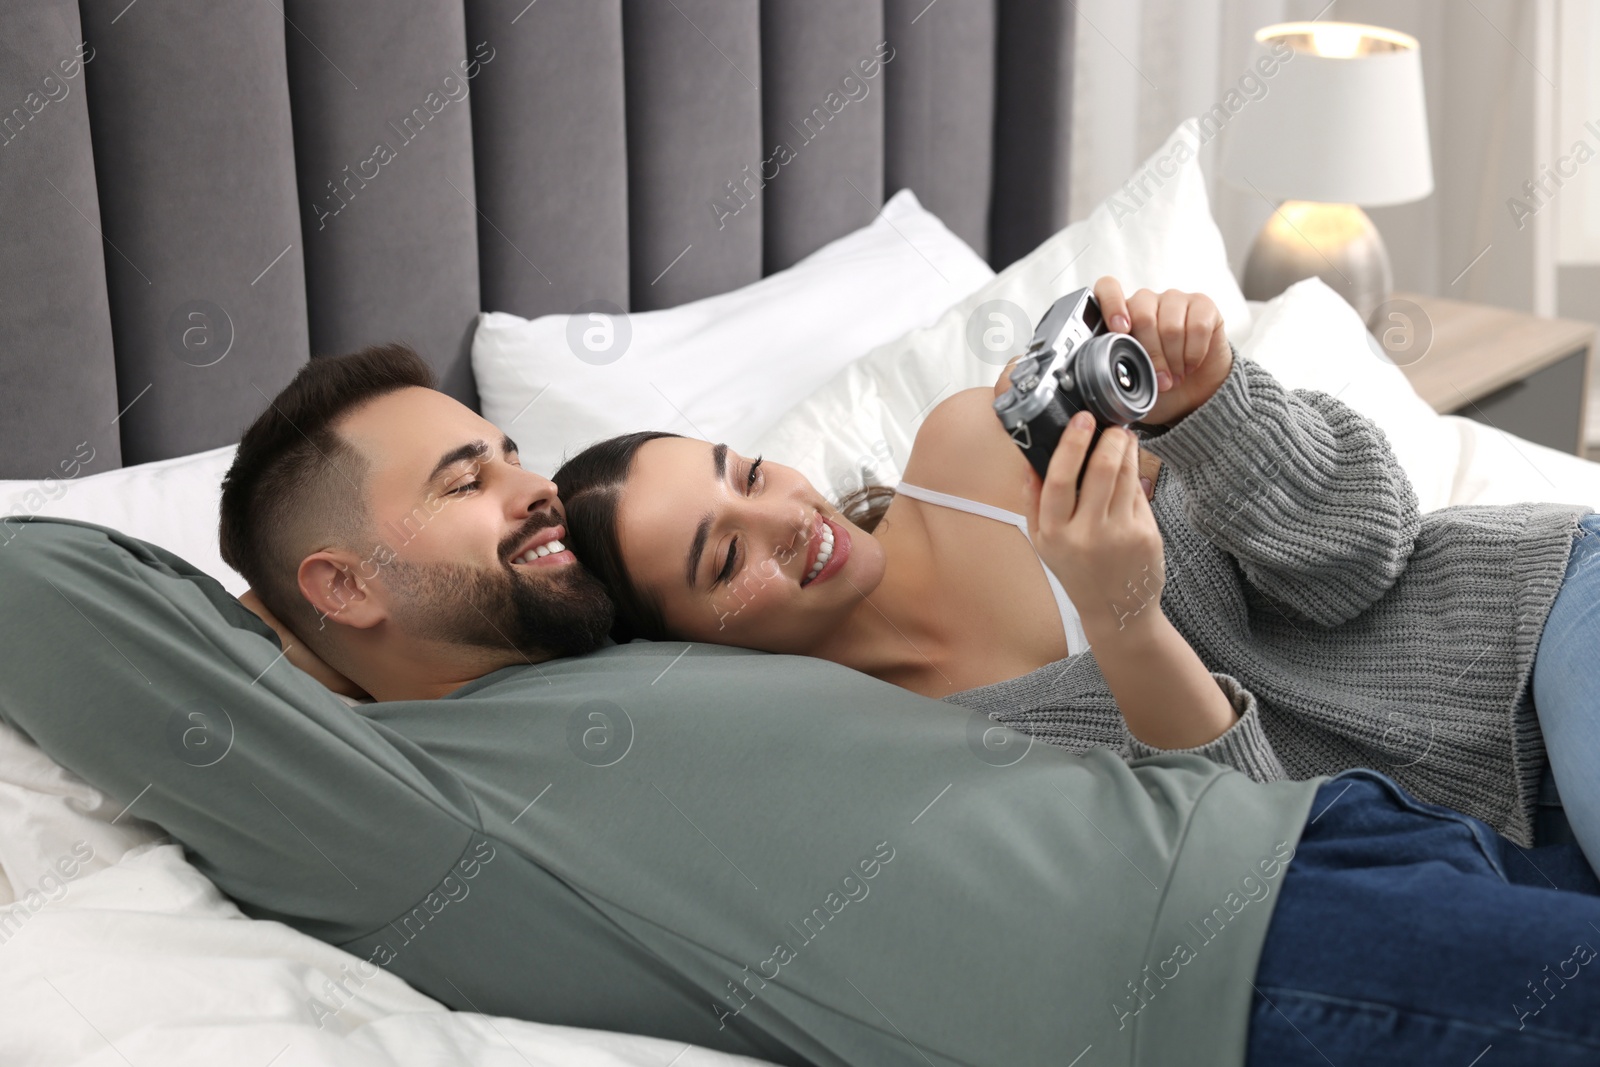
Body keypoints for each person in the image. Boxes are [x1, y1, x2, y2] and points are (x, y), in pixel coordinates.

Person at [5, 342, 1599, 1063]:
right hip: (1258, 969)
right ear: (344, 586)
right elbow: (41, 584)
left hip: (1331, 835)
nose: (526, 488)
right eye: (466, 477)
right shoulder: (399, 794)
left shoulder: (644, 663)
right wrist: (270, 644)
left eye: (511, 449)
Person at [551, 277, 1600, 876]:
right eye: (725, 555)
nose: (786, 516)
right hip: (1466, 856)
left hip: (1528, 624)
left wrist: (1215, 407)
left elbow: (1360, 555)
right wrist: (1124, 617)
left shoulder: (971, 449)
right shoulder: (890, 766)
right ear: (696, 649)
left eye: (746, 473)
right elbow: (1264, 866)